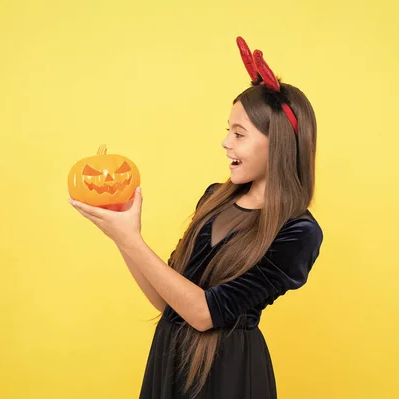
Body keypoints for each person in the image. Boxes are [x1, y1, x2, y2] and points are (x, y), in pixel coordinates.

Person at [69, 36, 324, 399]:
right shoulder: (214, 199)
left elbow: (204, 314)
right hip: (171, 360)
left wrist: (130, 239)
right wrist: (122, 235)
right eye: (227, 130)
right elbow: (166, 301)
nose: (225, 143)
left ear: (278, 144)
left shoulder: (298, 232)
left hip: (229, 375)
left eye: (239, 134)